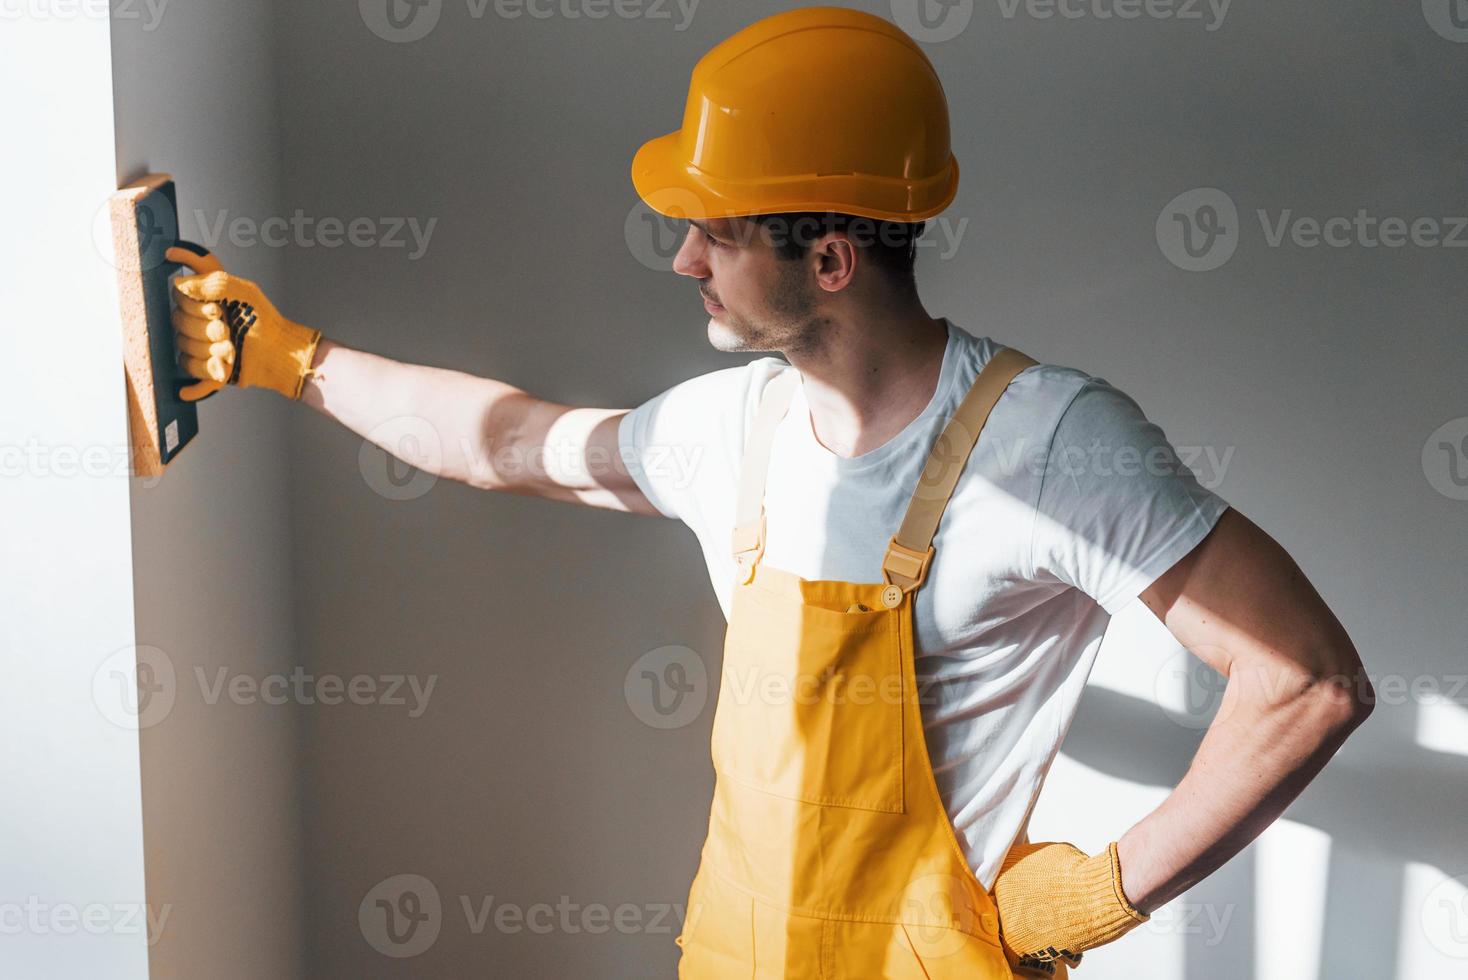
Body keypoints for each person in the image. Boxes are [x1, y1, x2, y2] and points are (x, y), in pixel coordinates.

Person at [165, 7, 1373, 977]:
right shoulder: (728, 429)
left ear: (832, 260)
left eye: (717, 233)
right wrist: (287, 358)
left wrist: (1103, 892)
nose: (683, 257)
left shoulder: (1050, 443)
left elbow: (1306, 679)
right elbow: (506, 439)